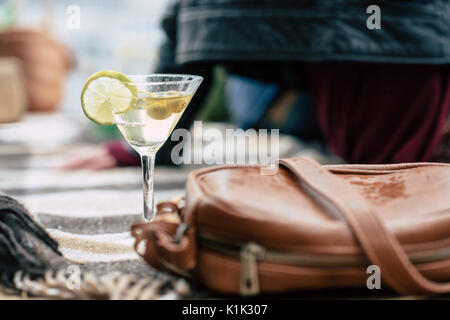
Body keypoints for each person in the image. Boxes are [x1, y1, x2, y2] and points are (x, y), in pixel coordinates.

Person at [63, 0, 450, 169]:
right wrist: (150, 144)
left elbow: (186, 14)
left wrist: (156, 142)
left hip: (376, 43)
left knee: (388, 186)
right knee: (384, 184)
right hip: (385, 43)